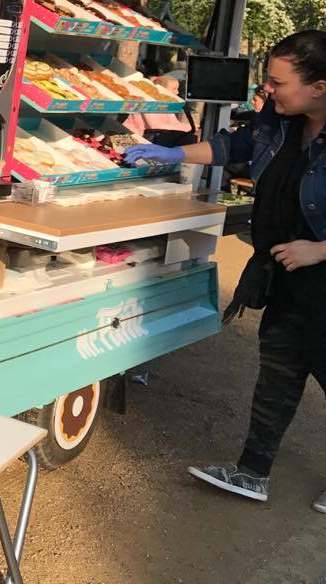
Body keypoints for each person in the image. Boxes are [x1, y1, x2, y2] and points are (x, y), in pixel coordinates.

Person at [124, 31, 326, 511]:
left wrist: (320, 250)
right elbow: (234, 145)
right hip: (284, 274)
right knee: (278, 374)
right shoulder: (281, 122)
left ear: (319, 87)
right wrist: (173, 154)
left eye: (278, 82)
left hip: (318, 271)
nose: (267, 89)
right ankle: (252, 472)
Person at [123, 73, 197, 145]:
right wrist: (187, 127)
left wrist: (190, 126)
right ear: (162, 89)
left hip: (154, 137)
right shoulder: (151, 103)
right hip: (135, 136)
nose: (177, 92)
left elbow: (174, 123)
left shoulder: (167, 104)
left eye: (177, 89)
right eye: (174, 89)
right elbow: (155, 126)